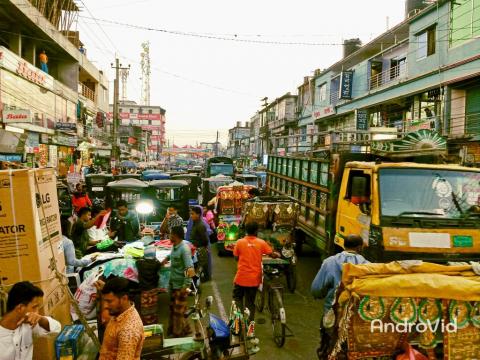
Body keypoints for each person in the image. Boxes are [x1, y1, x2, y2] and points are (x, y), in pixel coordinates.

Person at [311, 234, 369, 358]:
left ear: (344, 245)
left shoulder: (329, 262)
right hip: (358, 316)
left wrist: (321, 295)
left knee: (328, 344)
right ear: (359, 248)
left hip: (333, 314)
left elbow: (316, 289)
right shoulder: (367, 265)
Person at [0, 281, 61, 360]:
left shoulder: (29, 324)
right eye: (34, 307)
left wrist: (40, 319)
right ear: (20, 308)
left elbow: (57, 329)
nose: (37, 312)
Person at [232, 222, 278, 321]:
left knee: (238, 298)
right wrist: (277, 254)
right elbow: (271, 254)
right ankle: (249, 326)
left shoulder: (239, 242)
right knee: (250, 302)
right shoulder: (261, 242)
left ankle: (238, 321)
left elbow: (236, 257)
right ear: (256, 231)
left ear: (246, 231)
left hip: (241, 277)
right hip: (254, 279)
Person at [98, 277, 144, 360]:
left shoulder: (128, 332)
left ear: (124, 298)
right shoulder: (121, 311)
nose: (106, 306)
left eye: (109, 301)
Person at [162, 226, 195, 337]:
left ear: (175, 235)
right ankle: (183, 329)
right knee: (174, 309)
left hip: (181, 285)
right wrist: (166, 258)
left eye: (171, 234)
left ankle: (178, 333)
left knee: (178, 312)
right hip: (173, 283)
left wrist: (185, 286)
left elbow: (189, 269)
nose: (169, 236)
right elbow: (172, 255)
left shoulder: (184, 249)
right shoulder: (175, 246)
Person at [186, 206, 212, 281]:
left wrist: (203, 247)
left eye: (193, 214)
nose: (191, 216)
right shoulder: (195, 223)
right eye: (190, 214)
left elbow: (204, 239)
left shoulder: (200, 225)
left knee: (200, 266)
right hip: (197, 248)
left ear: (198, 214)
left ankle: (200, 281)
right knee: (200, 266)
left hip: (200, 249)